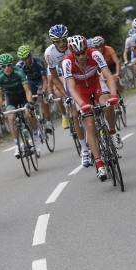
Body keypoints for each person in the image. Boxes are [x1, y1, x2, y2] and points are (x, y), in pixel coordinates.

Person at [63, 35, 121, 180]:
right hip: (81, 90)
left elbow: (107, 75)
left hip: (96, 84)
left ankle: (113, 133)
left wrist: (114, 95)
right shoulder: (67, 62)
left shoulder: (95, 53)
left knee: (107, 104)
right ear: (72, 53)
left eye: (83, 52)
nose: (82, 56)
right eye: (78, 54)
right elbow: (71, 88)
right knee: (89, 124)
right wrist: (82, 105)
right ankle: (99, 164)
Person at [45, 24, 92, 167]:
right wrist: (67, 96)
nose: (61, 43)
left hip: (80, 73)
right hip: (65, 78)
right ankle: (84, 149)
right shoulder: (49, 53)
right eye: (57, 41)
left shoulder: (74, 43)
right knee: (75, 114)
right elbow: (55, 79)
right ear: (53, 41)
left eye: (63, 40)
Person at [0, 53, 42, 156]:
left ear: (12, 65)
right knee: (11, 117)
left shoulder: (19, 71)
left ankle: (36, 136)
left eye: (9, 65)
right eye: (4, 66)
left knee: (29, 113)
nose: (7, 68)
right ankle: (17, 145)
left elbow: (28, 90)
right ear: (0, 67)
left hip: (23, 95)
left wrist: (30, 103)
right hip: (11, 97)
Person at [15, 45, 53, 134]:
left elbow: (45, 80)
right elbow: (21, 82)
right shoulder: (19, 66)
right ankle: (36, 122)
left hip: (40, 80)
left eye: (26, 59)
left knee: (40, 96)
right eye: (22, 59)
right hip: (30, 81)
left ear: (30, 56)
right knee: (30, 100)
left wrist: (43, 91)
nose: (24, 61)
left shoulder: (38, 62)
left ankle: (48, 121)